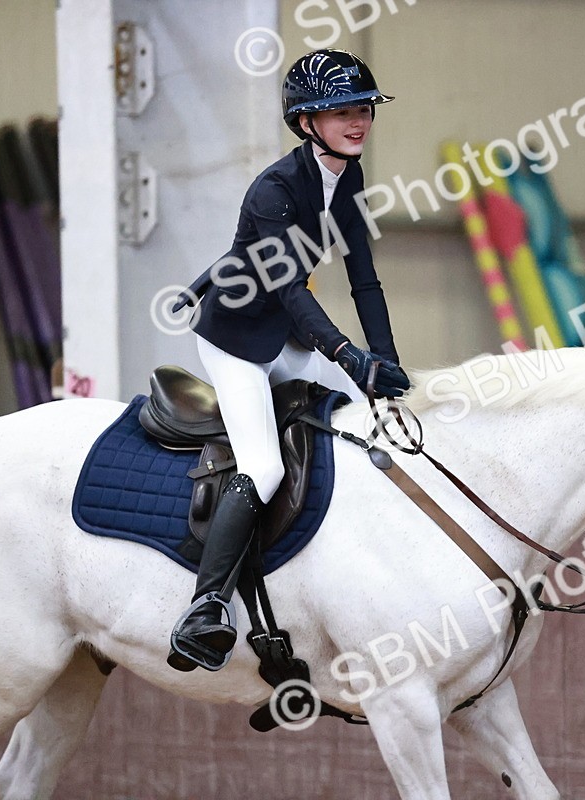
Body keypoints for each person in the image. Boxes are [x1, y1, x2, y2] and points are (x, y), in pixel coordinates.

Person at [168, 49, 409, 671]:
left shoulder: (348, 179)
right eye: (340, 111)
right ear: (307, 122)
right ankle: (205, 607)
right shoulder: (274, 190)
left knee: (356, 418)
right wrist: (346, 354)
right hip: (238, 340)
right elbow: (290, 292)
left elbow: (364, 278)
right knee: (265, 466)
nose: (358, 122)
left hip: (287, 334)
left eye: (363, 109)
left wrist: (382, 362)